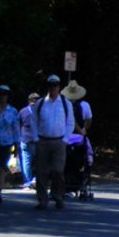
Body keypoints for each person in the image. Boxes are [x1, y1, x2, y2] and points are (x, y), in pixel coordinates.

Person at [30, 74, 78, 210]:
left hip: (59, 142)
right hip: (42, 141)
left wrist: (65, 139)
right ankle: (42, 200)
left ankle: (57, 195)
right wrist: (36, 138)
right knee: (41, 172)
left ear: (59, 87)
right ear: (48, 86)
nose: (53, 88)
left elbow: (70, 122)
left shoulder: (65, 102)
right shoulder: (40, 103)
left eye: (55, 85)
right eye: (51, 85)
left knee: (58, 171)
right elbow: (33, 121)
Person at [17, 92, 40, 189]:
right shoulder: (41, 111)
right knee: (40, 161)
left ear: (29, 100)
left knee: (26, 161)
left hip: (25, 138)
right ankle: (37, 179)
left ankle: (28, 181)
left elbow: (17, 124)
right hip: (38, 139)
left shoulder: (22, 111)